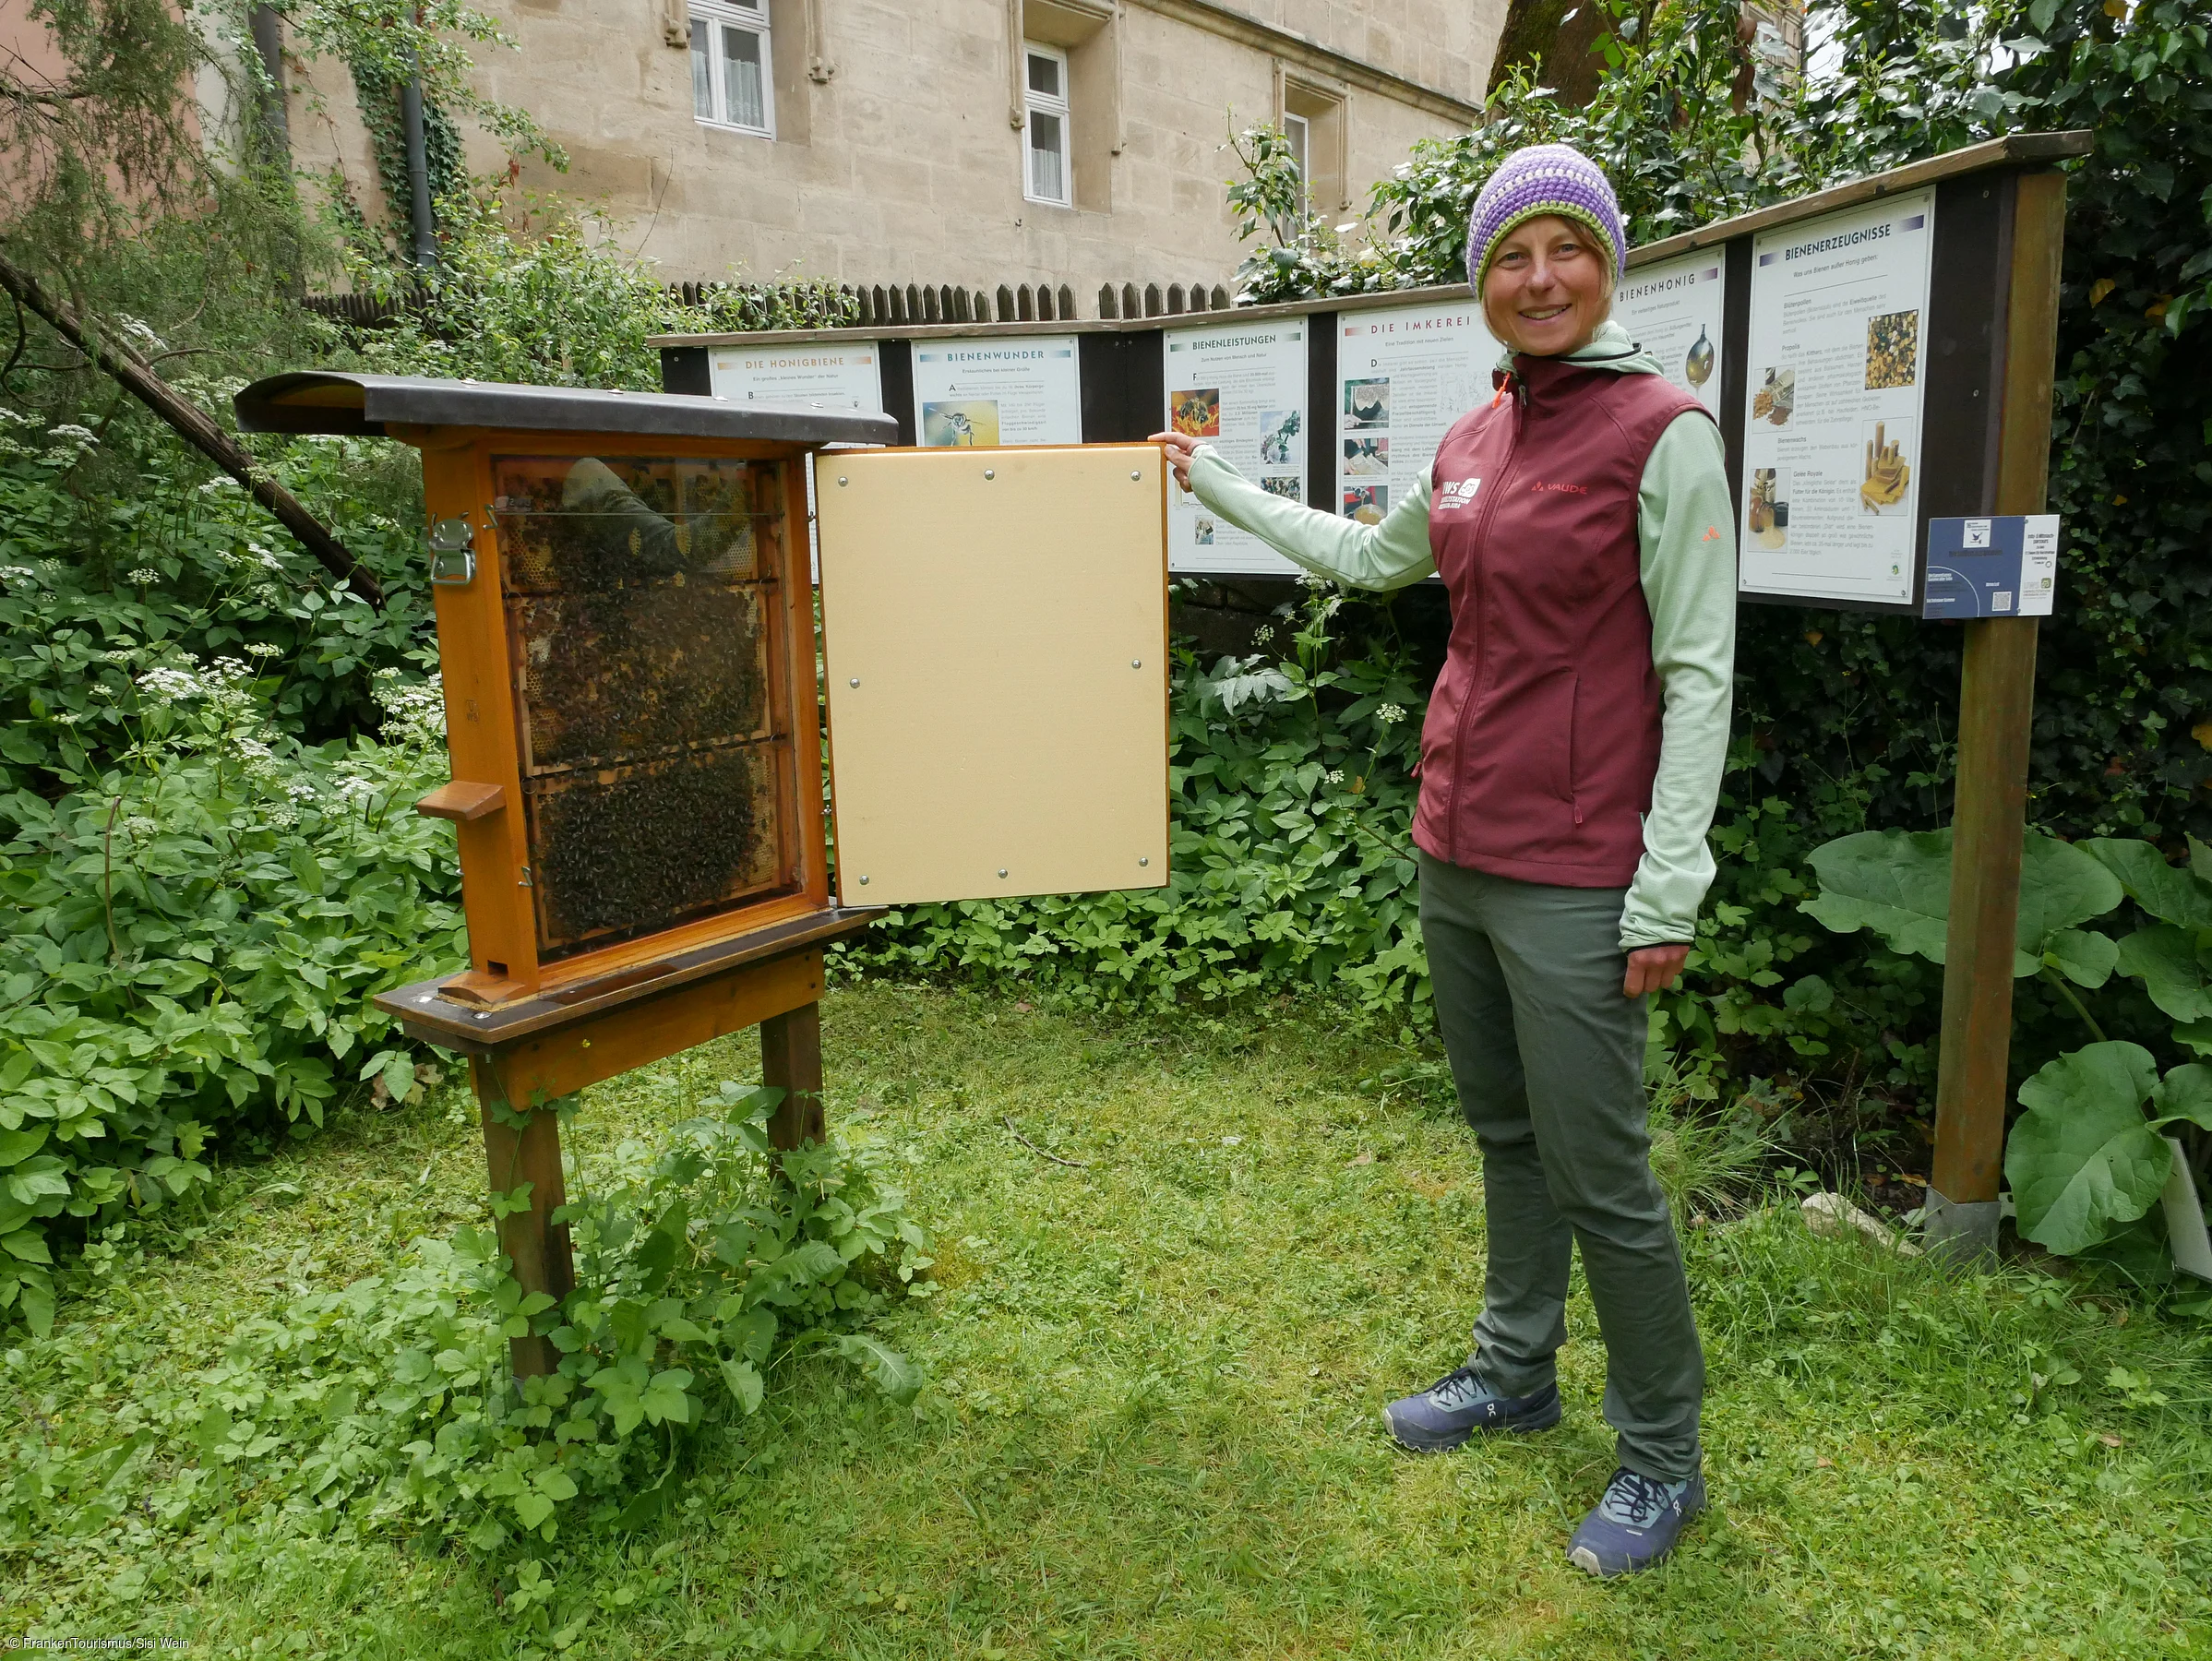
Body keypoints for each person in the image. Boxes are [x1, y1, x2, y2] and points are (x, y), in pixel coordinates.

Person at [1150, 143, 1736, 1578]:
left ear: (1609, 267)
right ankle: (1513, 1373)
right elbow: (1367, 563)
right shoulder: (1475, 441)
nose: (1540, 280)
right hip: (1455, 851)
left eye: (1566, 250)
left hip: (1582, 869)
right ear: (1483, 280)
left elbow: (1701, 672)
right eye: (1511, 257)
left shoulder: (1666, 431)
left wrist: (1667, 888)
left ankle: (1662, 1458)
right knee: (1504, 1138)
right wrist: (1213, 483)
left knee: (1604, 1178)